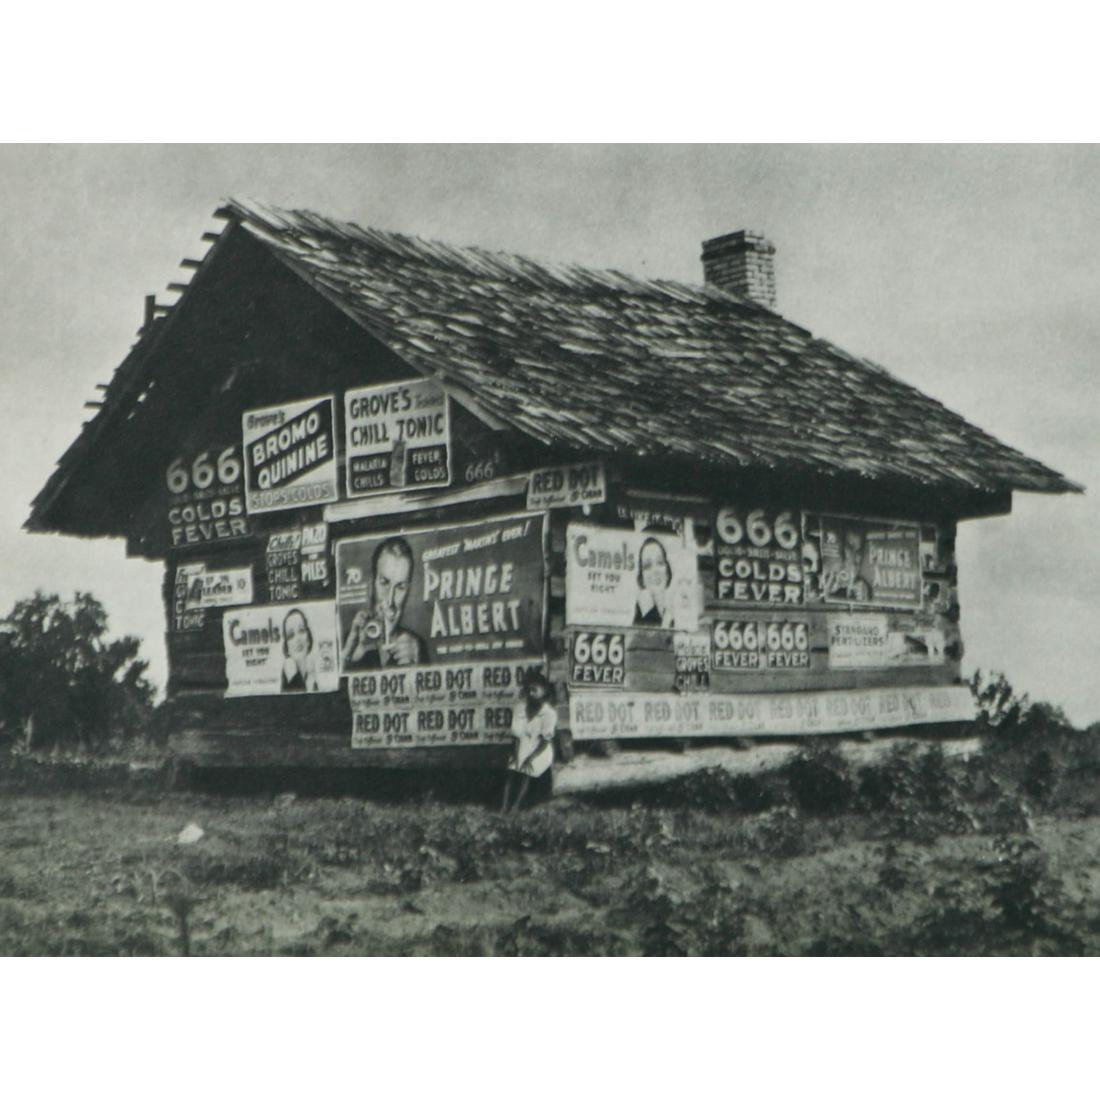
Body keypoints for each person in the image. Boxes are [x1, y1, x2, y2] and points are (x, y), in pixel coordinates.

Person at [341, 536, 429, 670]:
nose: (390, 600)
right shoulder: (348, 641)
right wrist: (347, 658)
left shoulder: (416, 646)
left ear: (408, 592)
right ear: (371, 586)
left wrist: (418, 668)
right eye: (384, 583)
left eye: (400, 587)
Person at [501, 672, 556, 813]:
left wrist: (529, 758)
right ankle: (504, 805)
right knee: (512, 770)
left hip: (540, 749)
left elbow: (545, 741)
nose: (531, 694)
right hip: (522, 745)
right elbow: (516, 736)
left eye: (535, 690)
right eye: (529, 690)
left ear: (544, 691)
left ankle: (516, 806)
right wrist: (515, 755)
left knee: (526, 770)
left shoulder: (549, 713)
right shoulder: (520, 709)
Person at [633, 536, 676, 628]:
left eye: (660, 562)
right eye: (647, 566)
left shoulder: (676, 613)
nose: (655, 570)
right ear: (642, 578)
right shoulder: (641, 615)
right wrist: (650, 613)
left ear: (667, 571)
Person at [280, 608, 319, 692]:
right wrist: (294, 678)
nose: (297, 639)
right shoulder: (289, 674)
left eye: (301, 630)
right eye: (291, 635)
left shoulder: (312, 674)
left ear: (308, 639)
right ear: (287, 647)